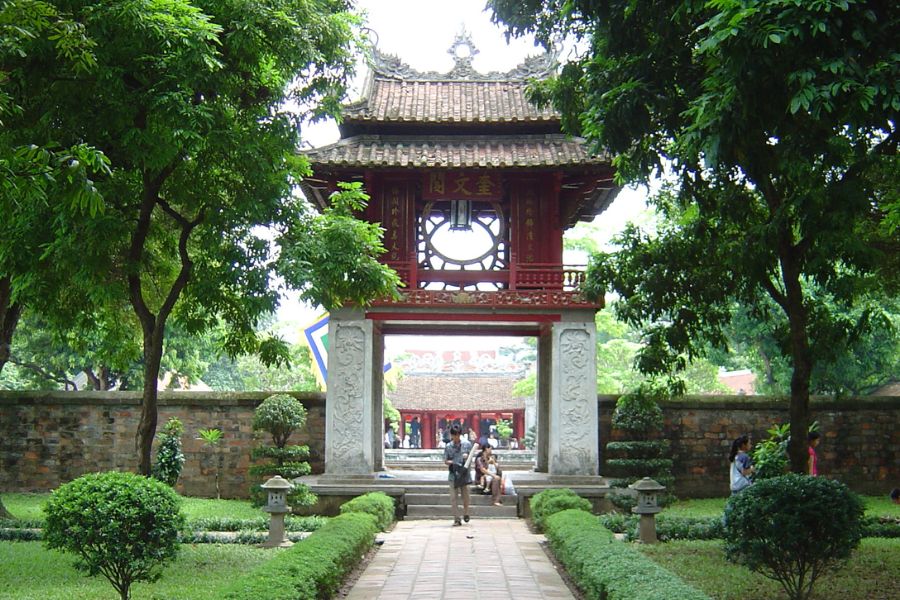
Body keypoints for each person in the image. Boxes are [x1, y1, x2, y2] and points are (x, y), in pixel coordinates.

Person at [444, 423, 472, 526]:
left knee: (465, 496)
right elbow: (446, 460)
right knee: (453, 497)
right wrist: (454, 461)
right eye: (453, 435)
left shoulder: (467, 444)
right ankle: (456, 518)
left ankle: (466, 512)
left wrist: (466, 457)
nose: (455, 437)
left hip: (464, 474)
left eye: (457, 435)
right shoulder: (448, 446)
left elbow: (471, 457)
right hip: (453, 474)